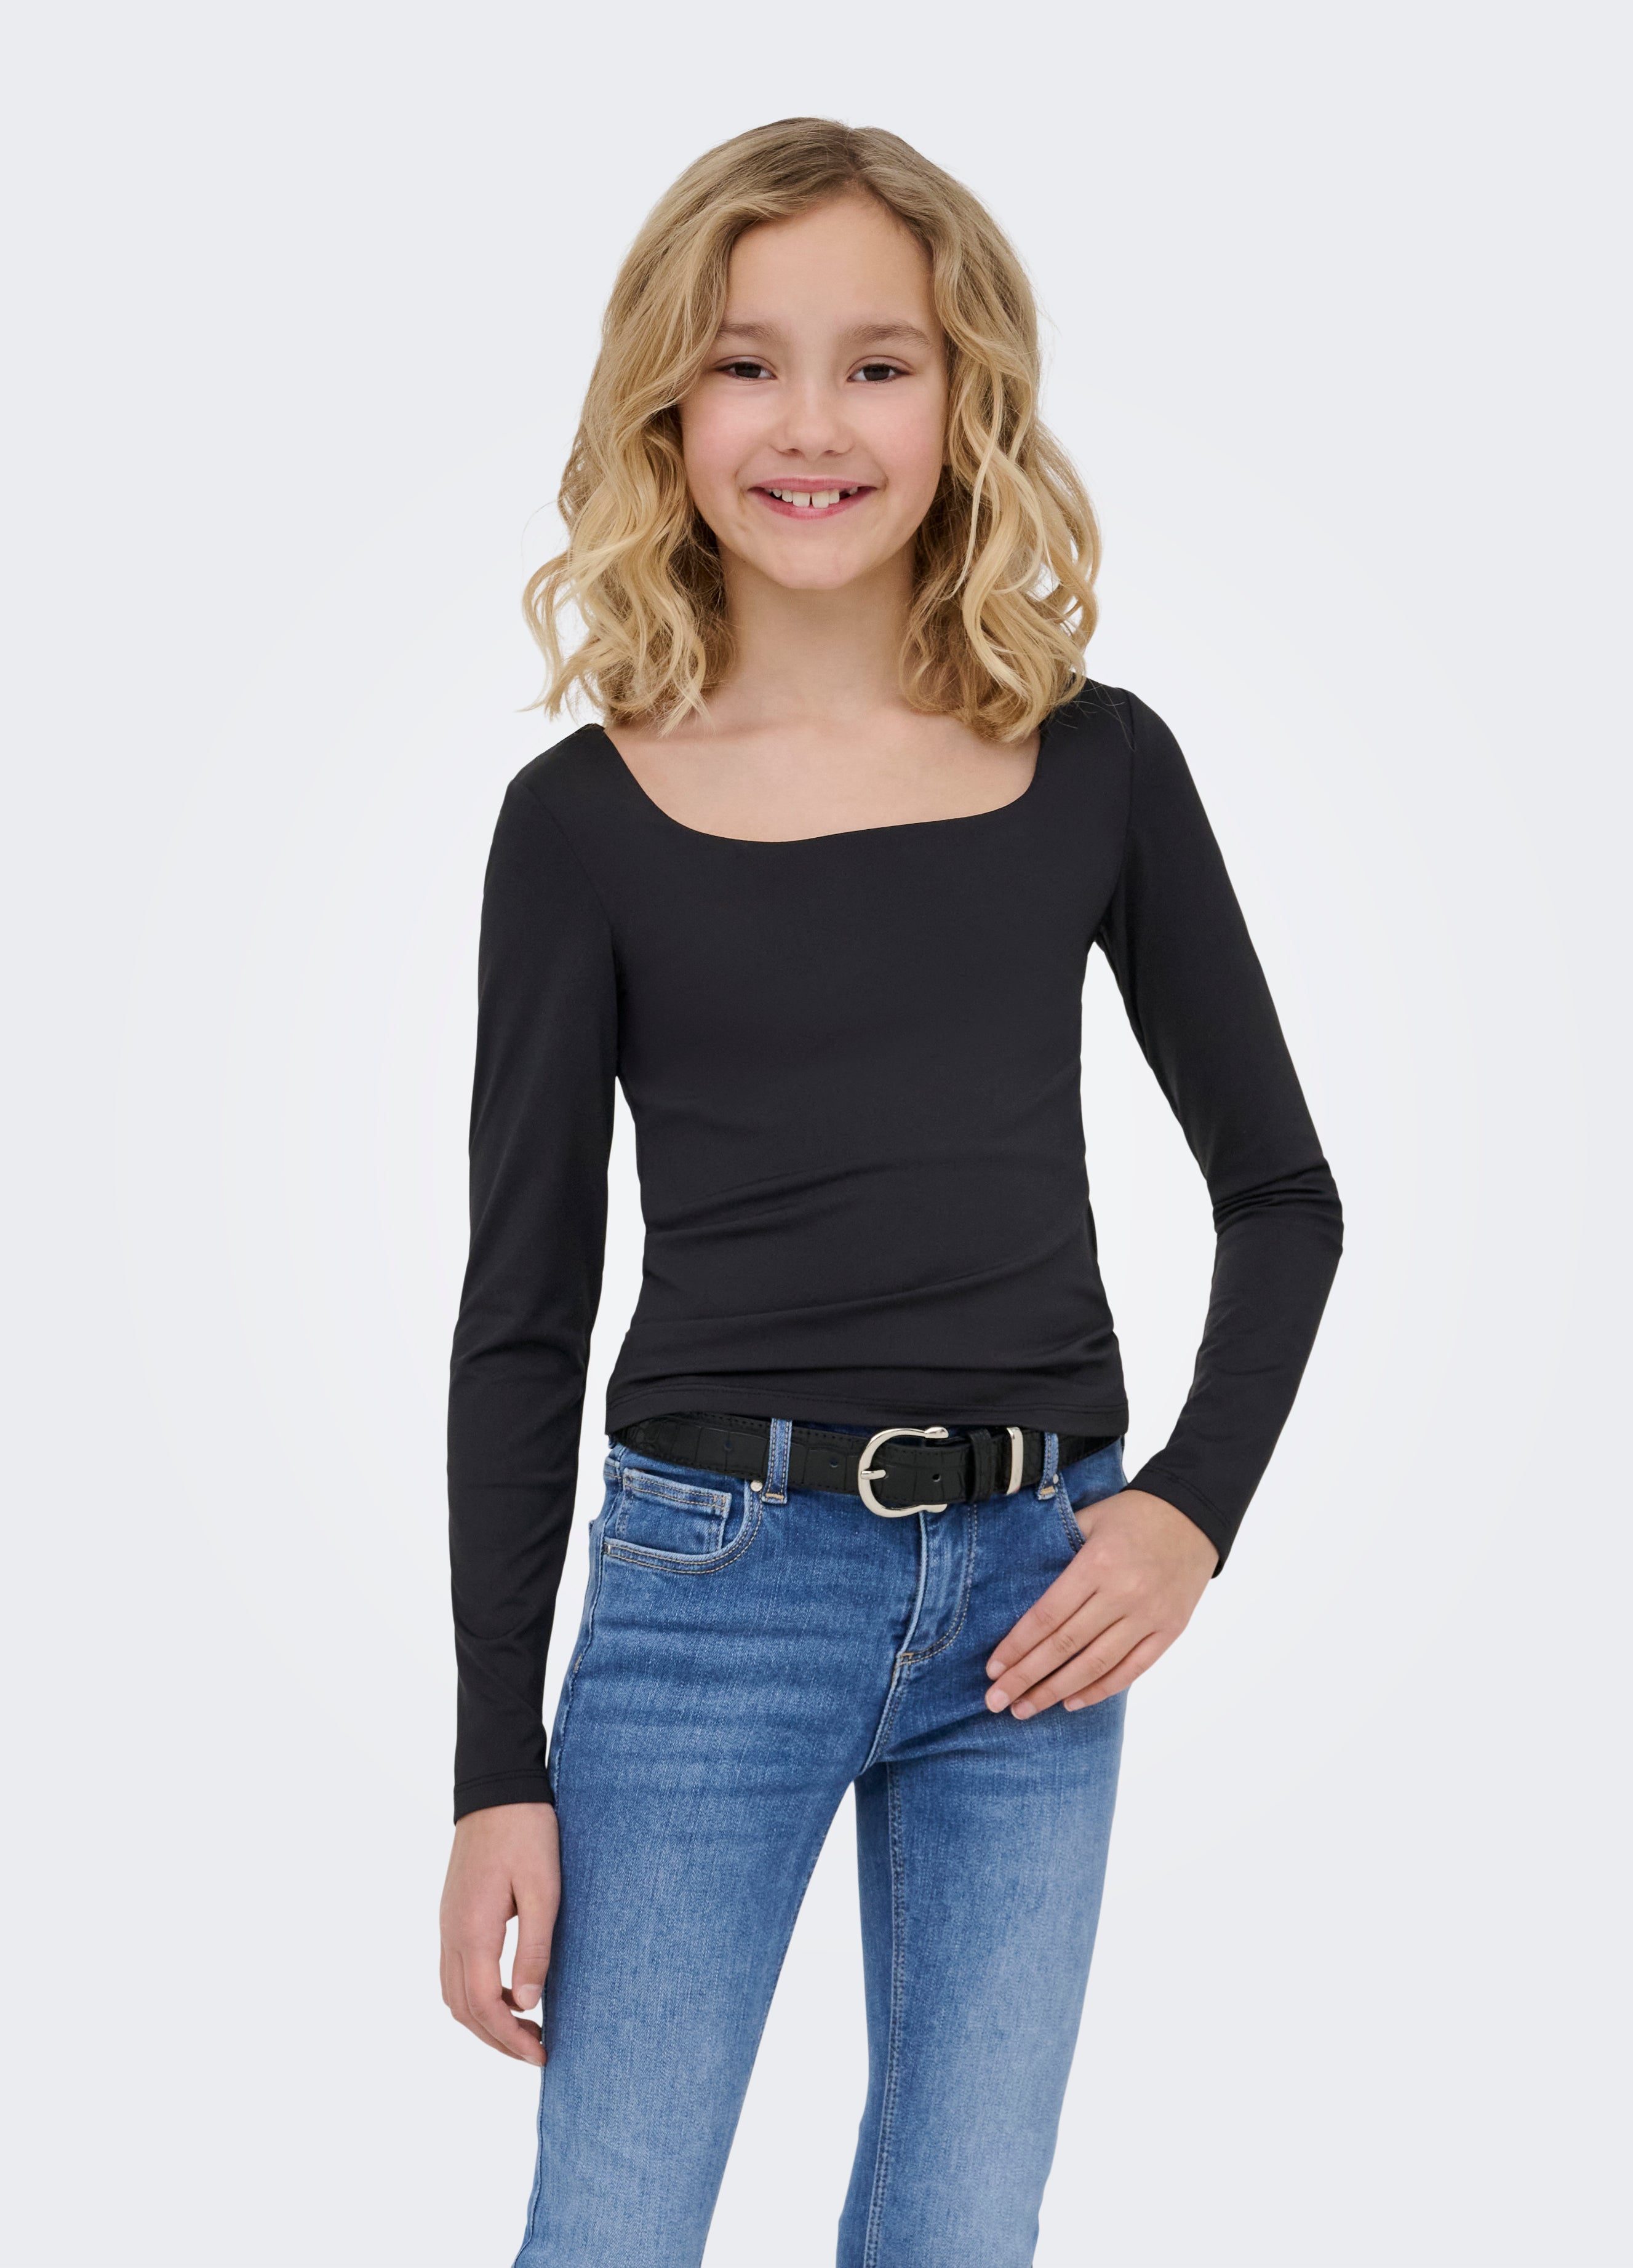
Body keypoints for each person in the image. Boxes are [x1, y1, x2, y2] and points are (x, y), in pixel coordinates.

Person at [437, 117, 1341, 2268]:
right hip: (709, 1600)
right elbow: (522, 1317)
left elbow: (1284, 1195)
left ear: (966, 400)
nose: (814, 426)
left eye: (880, 364)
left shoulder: (1099, 766)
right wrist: (492, 1767)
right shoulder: (582, 823)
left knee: (959, 2234)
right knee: (613, 2231)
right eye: (748, 365)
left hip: (1037, 1601)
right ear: (667, 407)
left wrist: (1188, 1509)